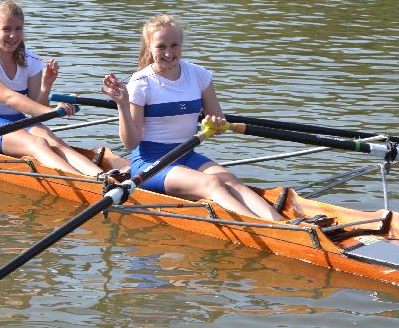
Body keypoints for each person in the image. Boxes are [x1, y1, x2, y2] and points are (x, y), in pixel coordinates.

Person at [101, 14, 284, 221]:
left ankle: (281, 223)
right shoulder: (140, 82)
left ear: (181, 44)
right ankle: (263, 228)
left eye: (174, 45)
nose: (169, 53)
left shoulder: (199, 75)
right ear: (149, 47)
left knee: (231, 180)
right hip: (151, 163)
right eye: (161, 47)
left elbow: (219, 125)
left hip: (186, 154)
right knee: (212, 183)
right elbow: (131, 143)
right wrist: (122, 104)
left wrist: (216, 124)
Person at [0, 1, 104, 177]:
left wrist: (46, 85)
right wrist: (53, 111)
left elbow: (36, 107)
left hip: (17, 120)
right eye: (6, 29)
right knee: (38, 144)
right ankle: (87, 185)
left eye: (18, 29)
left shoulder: (31, 60)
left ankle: (104, 177)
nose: (13, 35)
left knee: (55, 142)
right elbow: (9, 97)